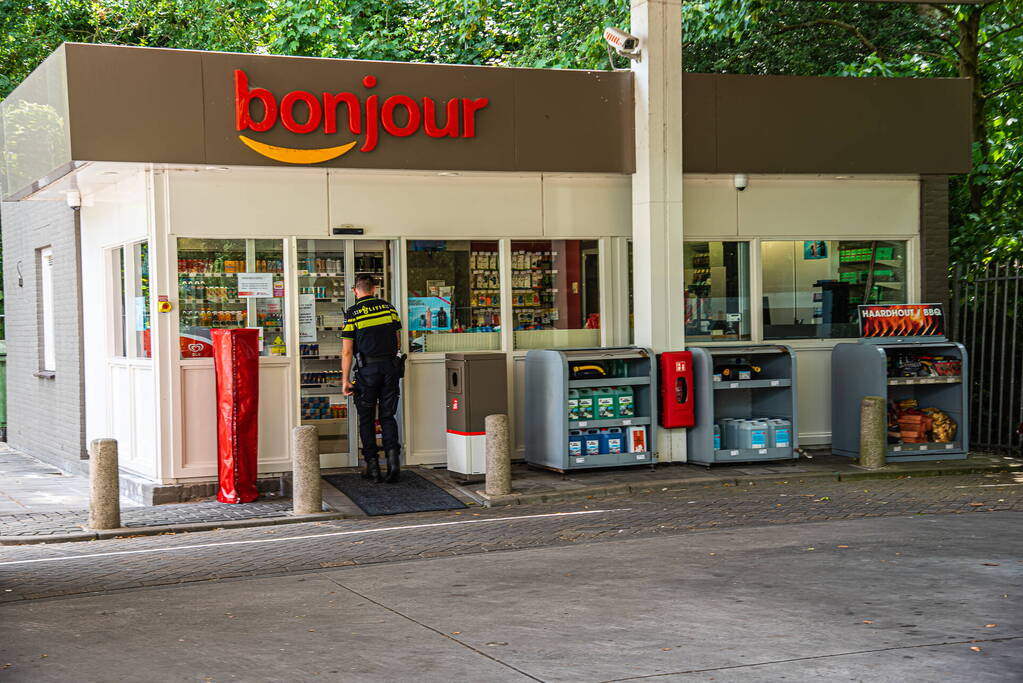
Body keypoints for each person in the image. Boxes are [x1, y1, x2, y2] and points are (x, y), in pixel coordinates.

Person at [341, 274, 404, 483]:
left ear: (355, 291)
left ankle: (373, 466)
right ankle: (394, 462)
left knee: (367, 418)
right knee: (387, 416)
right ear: (374, 289)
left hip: (367, 371)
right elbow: (397, 342)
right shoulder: (389, 308)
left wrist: (345, 380)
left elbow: (347, 351)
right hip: (389, 369)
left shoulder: (353, 313)